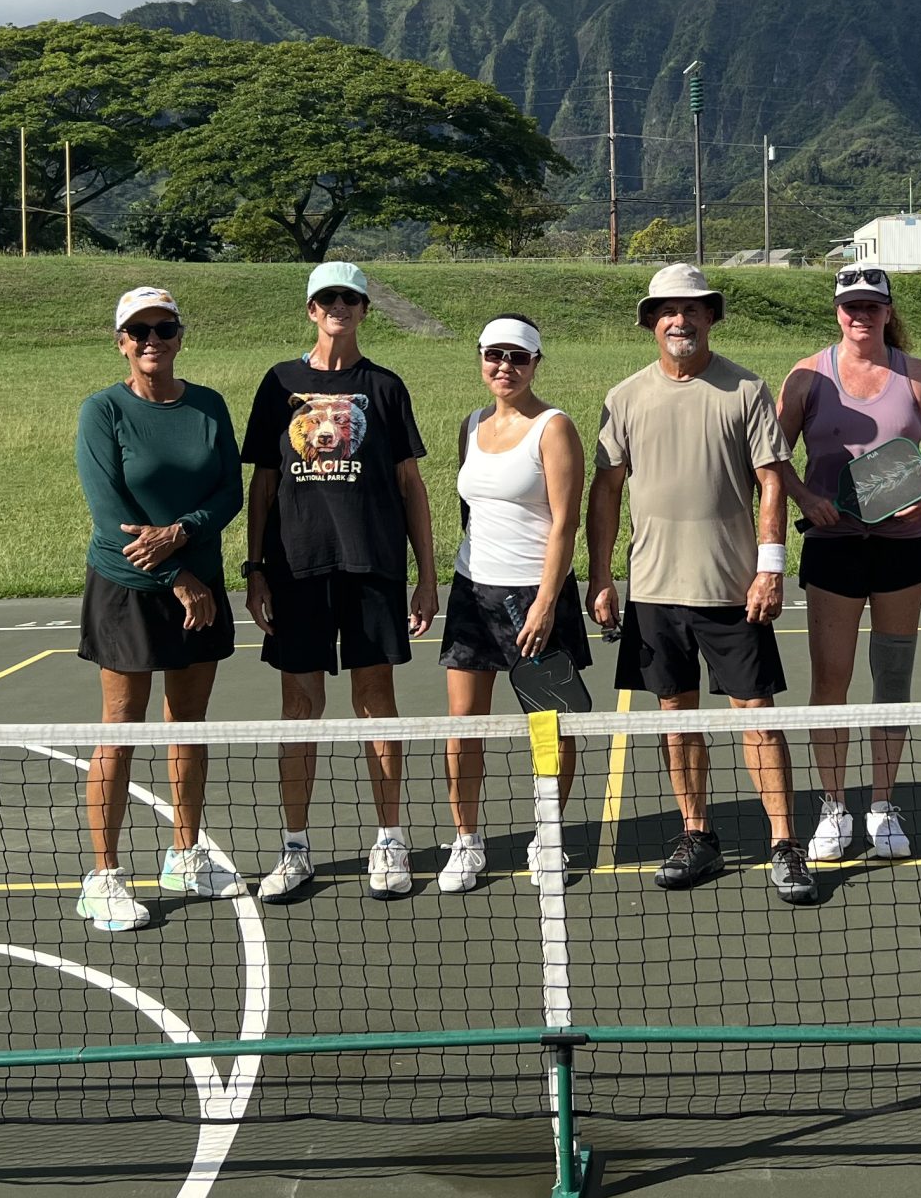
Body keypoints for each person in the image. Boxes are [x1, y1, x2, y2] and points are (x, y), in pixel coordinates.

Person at [588, 262, 816, 906]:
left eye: (691, 310)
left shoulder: (746, 389)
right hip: (655, 593)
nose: (679, 321)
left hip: (733, 592)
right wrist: (602, 575)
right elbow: (605, 491)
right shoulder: (625, 396)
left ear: (710, 317)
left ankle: (784, 844)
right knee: (675, 721)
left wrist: (770, 566)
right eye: (666, 311)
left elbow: (772, 480)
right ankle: (697, 834)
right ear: (651, 322)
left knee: (758, 722)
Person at [242, 262, 439, 902]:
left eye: (349, 299)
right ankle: (295, 847)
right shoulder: (278, 384)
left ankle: (390, 841)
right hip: (296, 572)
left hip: (371, 567)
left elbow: (412, 486)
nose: (338, 308)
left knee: (375, 705)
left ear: (363, 309)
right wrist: (255, 571)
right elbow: (263, 485)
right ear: (310, 309)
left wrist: (427, 575)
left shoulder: (384, 387)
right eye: (327, 299)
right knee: (299, 709)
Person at [72, 286, 247, 933]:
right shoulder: (103, 411)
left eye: (164, 329)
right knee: (121, 725)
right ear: (121, 341)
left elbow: (229, 488)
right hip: (128, 589)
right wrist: (175, 571)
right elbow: (109, 513)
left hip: (197, 579)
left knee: (189, 722)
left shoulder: (207, 406)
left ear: (179, 336)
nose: (152, 341)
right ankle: (104, 877)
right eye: (139, 331)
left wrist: (181, 533)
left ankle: (185, 853)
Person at [778, 263, 921, 861]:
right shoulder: (807, 377)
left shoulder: (916, 375)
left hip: (904, 545)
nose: (861, 315)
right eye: (850, 305)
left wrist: (918, 493)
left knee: (892, 677)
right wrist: (809, 501)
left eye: (872, 306)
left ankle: (882, 805)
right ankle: (834, 806)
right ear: (837, 312)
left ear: (887, 312)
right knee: (831, 679)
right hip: (833, 546)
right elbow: (773, 461)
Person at [437, 312, 589, 892]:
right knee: (461, 726)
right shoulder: (470, 425)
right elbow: (471, 511)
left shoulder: (554, 427)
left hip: (535, 595)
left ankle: (548, 837)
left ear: (535, 364)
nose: (504, 367)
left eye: (518, 358)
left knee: (549, 727)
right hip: (472, 592)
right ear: (480, 358)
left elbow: (565, 523)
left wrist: (546, 602)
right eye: (494, 355)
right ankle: (466, 842)